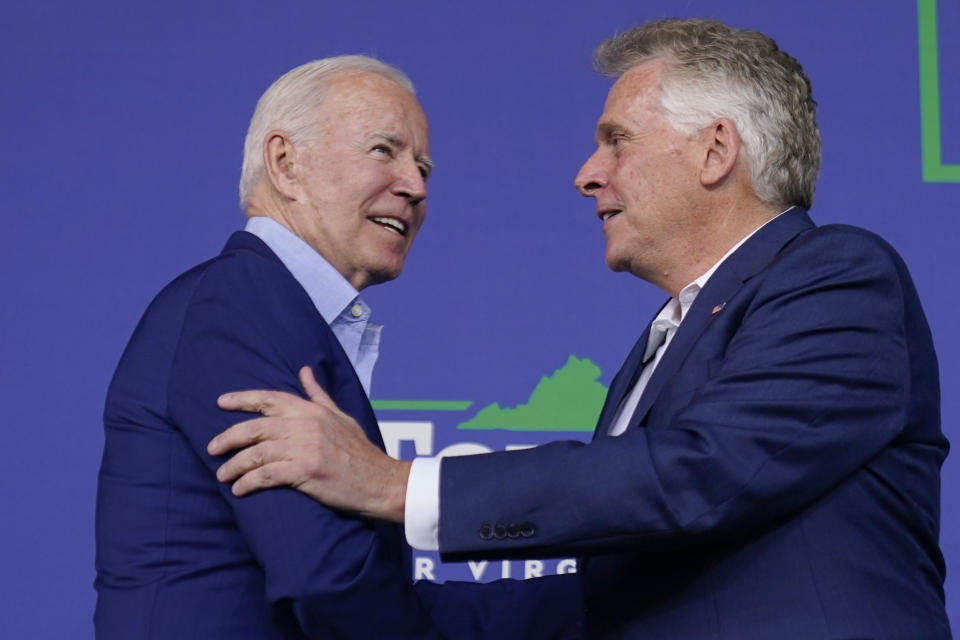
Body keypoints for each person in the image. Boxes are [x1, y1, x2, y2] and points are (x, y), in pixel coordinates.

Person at [209, 20, 951, 639]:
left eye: (617, 139)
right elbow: (608, 594)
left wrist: (399, 485)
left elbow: (701, 473)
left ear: (716, 151)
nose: (587, 173)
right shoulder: (661, 348)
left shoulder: (840, 276)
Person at [94, 55, 580, 639]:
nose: (416, 186)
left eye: (423, 165)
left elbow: (354, 581)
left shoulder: (270, 305)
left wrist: (603, 596)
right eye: (384, 150)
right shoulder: (242, 300)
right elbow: (328, 579)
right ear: (285, 162)